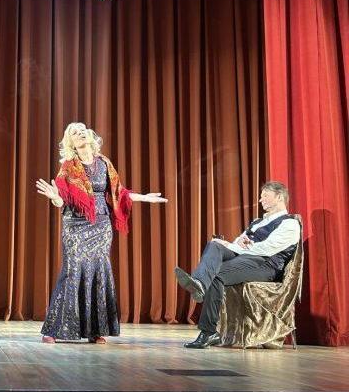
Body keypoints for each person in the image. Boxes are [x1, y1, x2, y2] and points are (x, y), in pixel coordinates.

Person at [36, 122, 167, 344]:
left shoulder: (104, 163)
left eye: (82, 130)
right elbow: (61, 201)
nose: (79, 133)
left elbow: (119, 193)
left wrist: (144, 197)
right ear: (71, 143)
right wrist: (54, 197)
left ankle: (96, 330)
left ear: (89, 135)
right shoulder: (68, 167)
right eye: (74, 133)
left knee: (98, 271)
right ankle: (57, 329)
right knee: (73, 271)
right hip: (75, 224)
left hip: (101, 225)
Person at [175, 181, 301, 348]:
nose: (260, 200)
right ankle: (199, 283)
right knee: (215, 245)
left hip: (265, 265)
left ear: (279, 197)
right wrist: (231, 244)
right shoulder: (257, 222)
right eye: (261, 196)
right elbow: (239, 242)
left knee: (217, 274)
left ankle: (208, 331)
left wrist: (238, 246)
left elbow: (268, 248)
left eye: (265, 196)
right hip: (246, 257)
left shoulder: (289, 223)